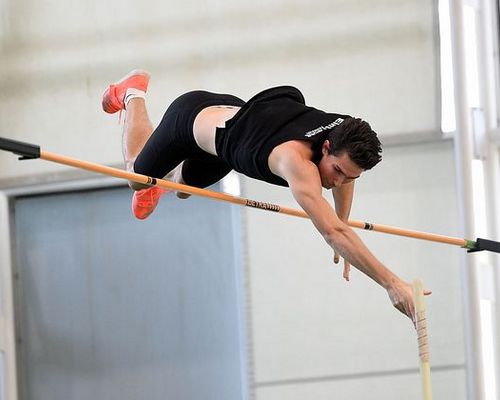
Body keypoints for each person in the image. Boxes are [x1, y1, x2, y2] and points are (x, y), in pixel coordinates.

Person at [102, 69, 431, 324]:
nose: (340, 180)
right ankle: (133, 92)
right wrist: (390, 283)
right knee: (137, 177)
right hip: (189, 120)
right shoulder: (295, 161)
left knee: (184, 188)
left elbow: (340, 201)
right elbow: (332, 232)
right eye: (339, 171)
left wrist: (342, 223)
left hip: (226, 139)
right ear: (326, 146)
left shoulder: (345, 133)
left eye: (351, 176)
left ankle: (164, 180)